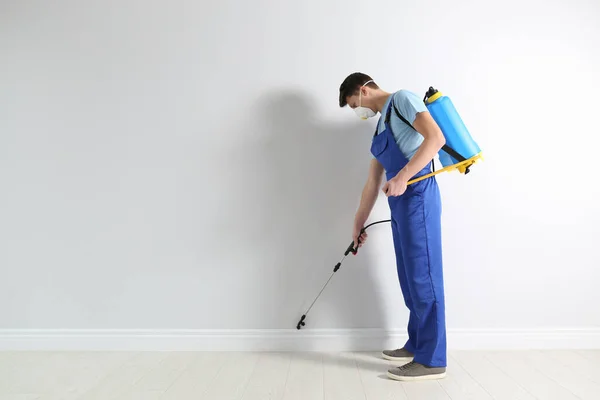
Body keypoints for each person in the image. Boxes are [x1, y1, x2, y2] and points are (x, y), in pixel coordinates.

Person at [339, 72, 447, 381]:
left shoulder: (403, 99)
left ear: (363, 89)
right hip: (400, 204)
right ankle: (417, 344)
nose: (357, 111)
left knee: (424, 277)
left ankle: (432, 360)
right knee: (409, 278)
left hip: (418, 197)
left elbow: (435, 138)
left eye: (353, 103)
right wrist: (358, 224)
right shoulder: (380, 125)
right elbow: (373, 182)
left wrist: (403, 177)